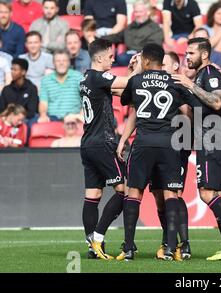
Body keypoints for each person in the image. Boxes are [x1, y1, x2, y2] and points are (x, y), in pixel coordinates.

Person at [172, 37, 221, 261]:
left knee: (206, 193)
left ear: (204, 55)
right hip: (207, 141)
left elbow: (216, 103)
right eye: (186, 53)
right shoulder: (200, 77)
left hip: (212, 141)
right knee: (214, 193)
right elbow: (219, 106)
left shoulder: (211, 75)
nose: (187, 57)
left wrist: (189, 85)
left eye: (191, 53)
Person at [116, 43, 193, 261]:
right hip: (169, 144)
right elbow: (191, 106)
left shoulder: (137, 80)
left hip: (143, 143)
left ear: (147, 61)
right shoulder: (174, 81)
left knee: (134, 193)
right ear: (162, 61)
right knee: (170, 194)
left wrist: (135, 72)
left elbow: (125, 101)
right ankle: (170, 248)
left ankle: (129, 248)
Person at [80, 38, 141, 260]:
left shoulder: (86, 78)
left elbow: (117, 90)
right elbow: (128, 83)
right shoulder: (98, 77)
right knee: (124, 190)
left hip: (87, 144)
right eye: (110, 56)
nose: (113, 58)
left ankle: (91, 246)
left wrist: (130, 72)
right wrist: (137, 70)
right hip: (102, 142)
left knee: (92, 195)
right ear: (98, 58)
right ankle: (97, 236)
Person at [103, 0, 163, 67]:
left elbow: (154, 48)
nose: (138, 14)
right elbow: (117, 37)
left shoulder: (155, 28)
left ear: (148, 12)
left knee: (121, 58)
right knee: (109, 61)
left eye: (140, 12)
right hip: (128, 56)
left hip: (145, 57)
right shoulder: (130, 27)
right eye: (136, 12)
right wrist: (99, 39)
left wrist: (138, 54)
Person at [37, 50, 83, 123]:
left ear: (69, 62)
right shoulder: (46, 80)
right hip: (53, 120)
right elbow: (43, 102)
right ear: (53, 63)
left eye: (64, 60)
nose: (61, 63)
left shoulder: (78, 77)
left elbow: (85, 99)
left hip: (74, 119)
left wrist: (81, 115)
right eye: (58, 61)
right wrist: (43, 115)